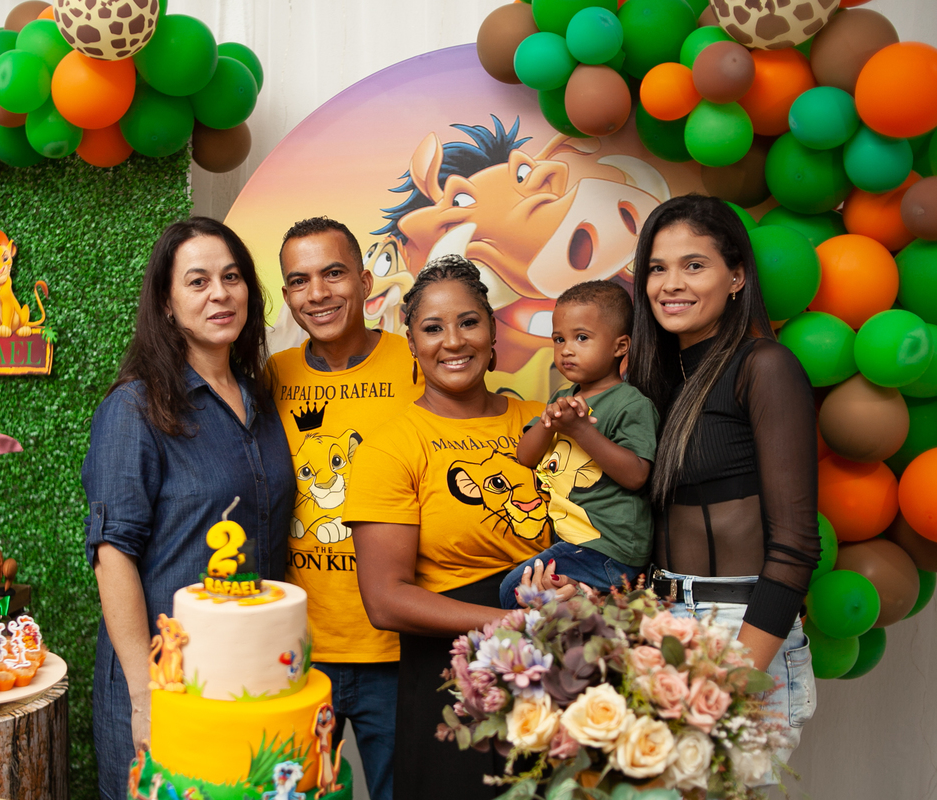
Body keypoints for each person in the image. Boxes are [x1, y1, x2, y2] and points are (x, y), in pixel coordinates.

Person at [533, 194, 818, 775]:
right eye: (657, 268)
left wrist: (732, 678)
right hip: (657, 621)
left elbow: (796, 547)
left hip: (736, 631)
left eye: (694, 265)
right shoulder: (650, 386)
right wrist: (592, 593)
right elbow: (640, 522)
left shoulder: (764, 366)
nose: (671, 284)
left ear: (736, 276)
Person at [82, 217, 294, 800]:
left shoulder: (260, 400)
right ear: (167, 305)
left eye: (232, 277)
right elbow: (112, 554)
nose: (219, 294)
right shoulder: (135, 408)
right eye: (197, 282)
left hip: (247, 675)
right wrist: (144, 697)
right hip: (163, 683)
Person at [343, 254, 545, 800]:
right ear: (411, 343)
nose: (453, 341)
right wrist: (512, 623)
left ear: (492, 331)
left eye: (468, 322)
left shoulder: (542, 421)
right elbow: (385, 601)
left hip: (552, 671)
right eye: (433, 328)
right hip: (451, 678)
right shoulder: (390, 447)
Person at [269, 217, 420, 800]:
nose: (318, 293)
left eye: (333, 273)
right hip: (298, 650)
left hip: (398, 647)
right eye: (299, 280)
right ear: (287, 296)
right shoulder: (272, 377)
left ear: (364, 281)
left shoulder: (418, 362)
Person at [499, 280, 658, 606]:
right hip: (574, 544)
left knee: (514, 591)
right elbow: (525, 455)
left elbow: (637, 475)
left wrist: (582, 431)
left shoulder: (630, 403)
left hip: (611, 550)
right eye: (559, 339)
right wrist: (549, 423)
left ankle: (594, 606)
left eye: (581, 338)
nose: (566, 350)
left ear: (620, 346)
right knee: (530, 594)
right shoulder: (562, 398)